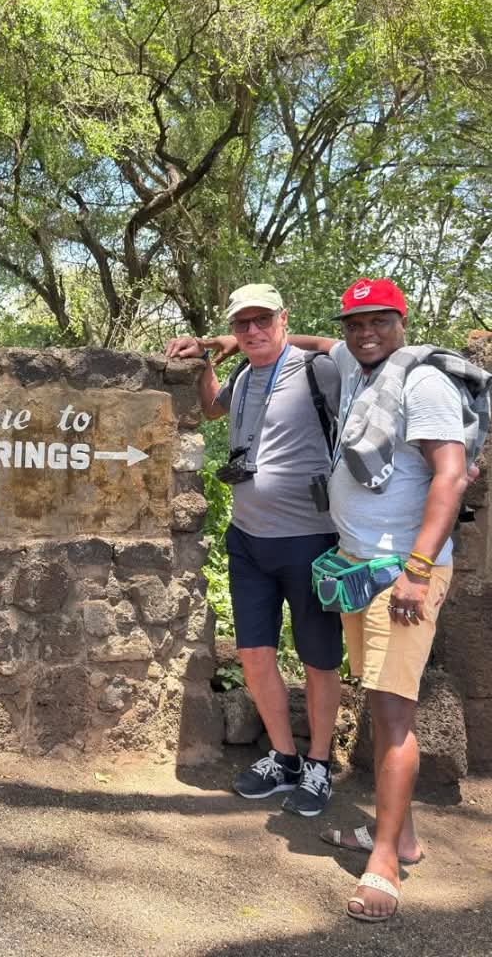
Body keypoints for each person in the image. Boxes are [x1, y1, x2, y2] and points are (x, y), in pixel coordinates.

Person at [278, 279, 488, 922]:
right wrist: (231, 339)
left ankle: (384, 866)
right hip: (360, 566)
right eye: (354, 323)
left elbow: (449, 474)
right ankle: (405, 837)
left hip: (403, 572)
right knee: (379, 698)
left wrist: (418, 571)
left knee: (395, 715)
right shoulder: (355, 363)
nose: (365, 332)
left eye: (379, 322)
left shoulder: (420, 384)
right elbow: (310, 341)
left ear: (401, 321)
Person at [165, 283, 343, 817]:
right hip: (247, 540)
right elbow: (212, 412)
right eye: (242, 323)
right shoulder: (242, 377)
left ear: (284, 319)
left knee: (318, 658)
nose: (253, 331)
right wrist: (207, 360)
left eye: (262, 320)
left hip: (311, 539)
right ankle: (284, 758)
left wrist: (229, 340)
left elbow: (347, 346)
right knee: (255, 653)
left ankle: (318, 764)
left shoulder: (319, 370)